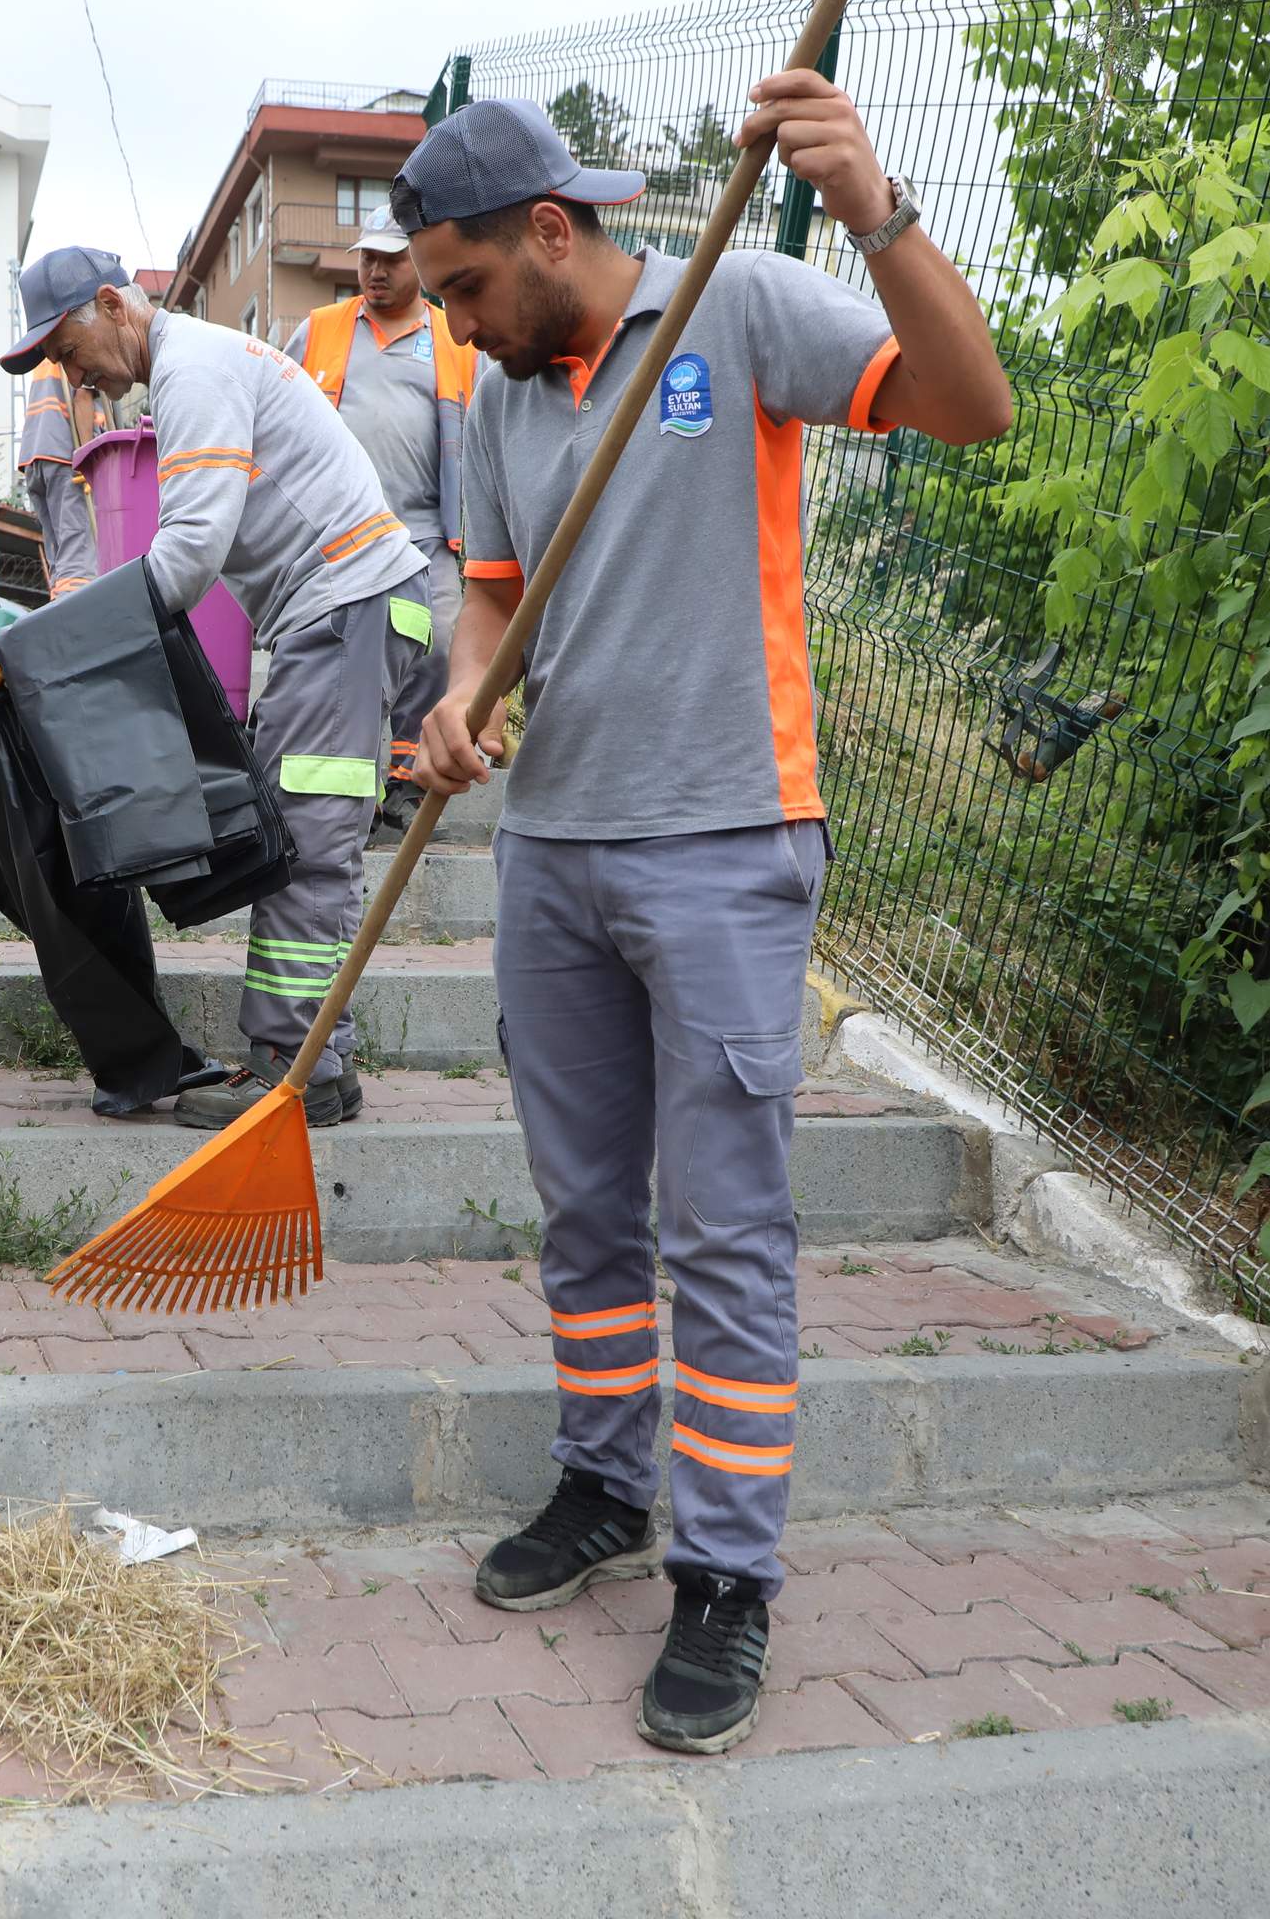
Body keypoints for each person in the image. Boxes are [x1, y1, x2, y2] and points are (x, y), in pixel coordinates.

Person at [399, 90, 1013, 1752]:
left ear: (549, 231)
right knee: (584, 1207)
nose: (449, 322)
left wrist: (875, 208)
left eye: (462, 286)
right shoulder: (497, 389)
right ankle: (608, 1482)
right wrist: (464, 702)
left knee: (723, 1226)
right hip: (555, 852)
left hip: (728, 847)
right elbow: (489, 593)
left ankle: (728, 1574)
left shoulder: (738, 301)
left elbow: (975, 405)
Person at [4, 245, 436, 1130]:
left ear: (113, 305)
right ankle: (317, 1055)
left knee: (310, 837)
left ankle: (295, 1068)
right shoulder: (194, 369)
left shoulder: (195, 371)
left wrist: (73, 643)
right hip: (342, 611)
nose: (66, 369)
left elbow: (193, 548)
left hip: (349, 606)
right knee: (297, 824)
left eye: (66, 343)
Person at [285, 205, 471, 826]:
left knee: (438, 642)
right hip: (341, 532)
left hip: (424, 529)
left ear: (417, 259)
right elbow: (278, 408)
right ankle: (352, 787)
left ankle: (407, 774)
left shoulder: (455, 337)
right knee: (350, 654)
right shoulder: (320, 328)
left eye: (390, 259)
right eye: (367, 258)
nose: (375, 271)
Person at [18, 357, 101, 597]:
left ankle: (58, 603)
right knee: (78, 553)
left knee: (59, 554)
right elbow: (83, 398)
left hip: (34, 457)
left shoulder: (47, 358)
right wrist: (86, 458)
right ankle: (76, 617)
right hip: (66, 457)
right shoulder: (84, 349)